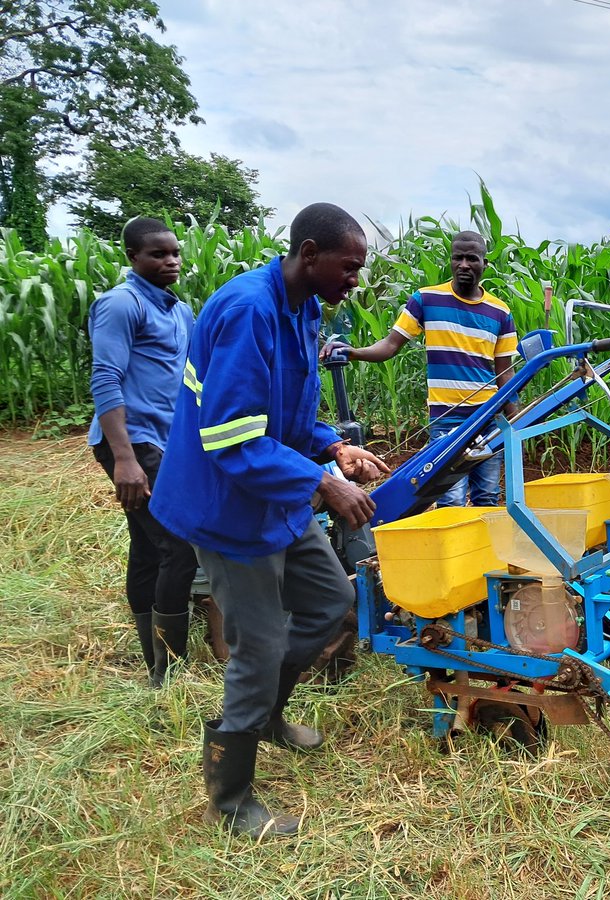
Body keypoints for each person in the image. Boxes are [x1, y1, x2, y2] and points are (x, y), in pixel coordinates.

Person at [151, 203, 389, 838]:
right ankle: (230, 800)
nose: (356, 281)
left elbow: (286, 411)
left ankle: (269, 714)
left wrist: (331, 445)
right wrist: (322, 483)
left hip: (274, 495)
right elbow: (232, 439)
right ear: (309, 254)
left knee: (329, 600)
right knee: (256, 645)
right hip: (227, 504)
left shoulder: (304, 306)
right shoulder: (249, 310)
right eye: (350, 267)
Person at [321, 230, 518, 507]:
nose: (464, 265)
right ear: (450, 261)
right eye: (457, 258)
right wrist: (353, 352)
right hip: (446, 421)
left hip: (487, 419)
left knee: (487, 497)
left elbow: (505, 373)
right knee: (450, 500)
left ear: (484, 264)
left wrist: (515, 422)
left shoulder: (500, 312)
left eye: (472, 258)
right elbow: (390, 346)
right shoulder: (426, 299)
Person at [88, 216, 198, 688]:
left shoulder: (179, 310)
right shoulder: (119, 304)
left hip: (167, 442)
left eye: (174, 252)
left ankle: (157, 658)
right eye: (158, 254)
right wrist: (126, 459)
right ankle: (167, 670)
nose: (171, 260)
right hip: (133, 443)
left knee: (149, 547)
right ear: (133, 257)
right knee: (179, 546)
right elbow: (105, 378)